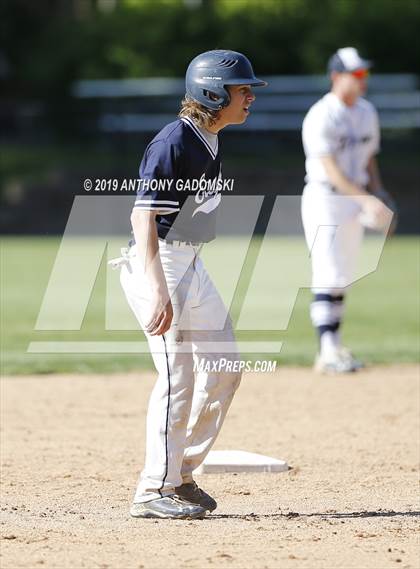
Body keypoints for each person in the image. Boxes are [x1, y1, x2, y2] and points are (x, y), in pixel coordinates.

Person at [118, 50, 267, 518]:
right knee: (177, 376)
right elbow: (143, 216)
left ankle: (179, 472)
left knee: (225, 367)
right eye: (242, 90)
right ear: (213, 93)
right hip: (159, 264)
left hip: (190, 263)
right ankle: (151, 491)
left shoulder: (209, 136)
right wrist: (157, 287)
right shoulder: (174, 142)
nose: (249, 98)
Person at [301, 47, 394, 374]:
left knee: (343, 276)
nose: (361, 79)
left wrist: (379, 193)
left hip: (355, 199)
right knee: (327, 272)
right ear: (335, 77)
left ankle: (333, 348)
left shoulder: (367, 111)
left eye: (363, 74)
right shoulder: (321, 115)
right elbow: (331, 170)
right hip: (325, 199)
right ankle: (327, 350)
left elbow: (369, 159)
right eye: (355, 74)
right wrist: (367, 199)